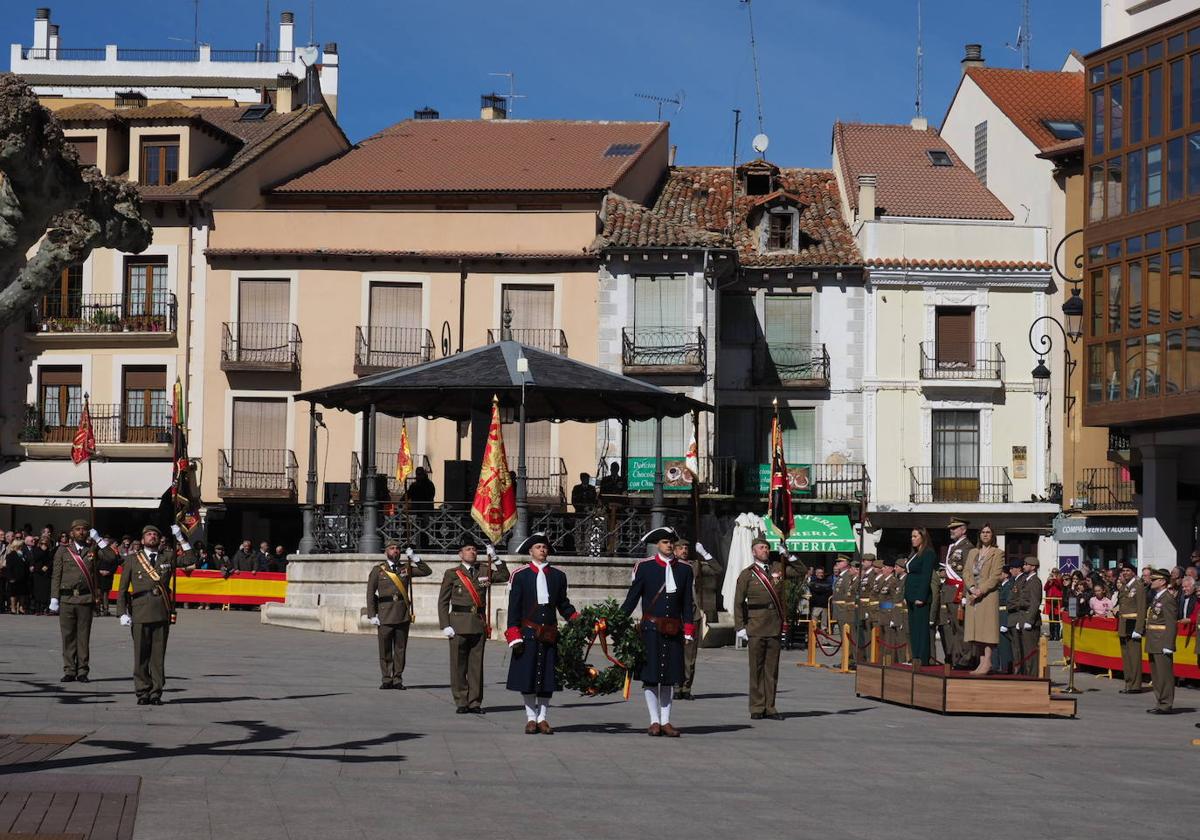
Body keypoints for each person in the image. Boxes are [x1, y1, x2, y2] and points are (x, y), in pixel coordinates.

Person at [620, 527, 695, 737]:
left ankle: (666, 721)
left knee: (669, 677)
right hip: (651, 629)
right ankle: (654, 720)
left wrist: (688, 628)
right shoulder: (644, 567)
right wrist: (617, 620)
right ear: (657, 545)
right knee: (651, 676)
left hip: (674, 629)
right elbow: (632, 598)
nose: (669, 545)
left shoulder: (685, 570)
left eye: (671, 542)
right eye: (664, 542)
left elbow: (687, 603)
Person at [504, 533, 580, 734]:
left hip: (549, 634)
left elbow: (563, 604)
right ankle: (530, 718)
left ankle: (543, 718)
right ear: (530, 551)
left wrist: (576, 618)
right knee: (528, 678)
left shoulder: (558, 576)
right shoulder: (519, 575)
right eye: (538, 547)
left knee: (547, 679)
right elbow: (514, 608)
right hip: (528, 634)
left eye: (545, 547)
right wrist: (514, 633)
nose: (542, 550)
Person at [117, 524, 196, 705]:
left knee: (158, 655)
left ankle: (156, 692)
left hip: (162, 610)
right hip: (140, 611)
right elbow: (122, 590)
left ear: (160, 539)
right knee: (141, 654)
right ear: (143, 539)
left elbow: (191, 559)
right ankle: (142, 691)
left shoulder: (167, 556)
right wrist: (122, 612)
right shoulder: (132, 560)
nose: (152, 537)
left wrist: (181, 538)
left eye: (155, 534)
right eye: (149, 534)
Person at [733, 537, 805, 720]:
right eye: (761, 547)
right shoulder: (747, 574)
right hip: (755, 625)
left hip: (774, 625)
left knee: (771, 669)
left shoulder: (777, 568)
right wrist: (740, 627)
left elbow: (801, 571)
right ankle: (757, 707)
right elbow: (739, 602)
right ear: (754, 551)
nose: (765, 550)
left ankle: (770, 707)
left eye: (767, 547)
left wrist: (788, 555)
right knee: (756, 669)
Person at [437, 538, 510, 714]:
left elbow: (505, 576)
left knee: (476, 666)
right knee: (458, 665)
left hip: (478, 623)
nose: (472, 552)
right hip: (458, 623)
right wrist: (445, 624)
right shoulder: (452, 573)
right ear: (460, 553)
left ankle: (475, 702)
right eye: (468, 549)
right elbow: (443, 601)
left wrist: (496, 558)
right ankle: (461, 701)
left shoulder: (484, 569)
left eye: (474, 549)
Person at [49, 520, 116, 683]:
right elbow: (56, 575)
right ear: (72, 533)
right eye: (77, 530)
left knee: (83, 636)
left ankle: (82, 671)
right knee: (68, 635)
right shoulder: (63, 551)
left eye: (84, 530)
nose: (81, 532)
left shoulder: (92, 549)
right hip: (67, 598)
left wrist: (99, 540)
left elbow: (112, 557)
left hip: (85, 598)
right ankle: (69, 669)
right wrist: (54, 597)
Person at [366, 542, 432, 690]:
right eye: (392, 548)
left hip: (402, 614)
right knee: (385, 649)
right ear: (386, 552)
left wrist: (415, 558)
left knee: (400, 649)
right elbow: (370, 593)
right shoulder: (378, 570)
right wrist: (372, 614)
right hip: (384, 614)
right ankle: (386, 678)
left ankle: (397, 679)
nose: (395, 551)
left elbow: (427, 571)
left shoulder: (405, 568)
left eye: (397, 549)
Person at [676, 538, 721, 700]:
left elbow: (717, 569)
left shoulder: (695, 565)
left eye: (686, 548)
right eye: (680, 548)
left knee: (690, 655)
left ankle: (686, 688)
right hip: (674, 616)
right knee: (675, 654)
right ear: (674, 550)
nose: (684, 550)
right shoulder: (670, 566)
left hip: (692, 615)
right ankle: (675, 686)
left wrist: (704, 553)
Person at [963, 523, 1005, 675]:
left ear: (992, 535)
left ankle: (987, 661)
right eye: (983, 532)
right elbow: (966, 572)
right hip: (972, 594)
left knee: (987, 631)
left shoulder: (997, 553)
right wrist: (972, 588)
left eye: (988, 532)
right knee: (976, 631)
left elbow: (995, 577)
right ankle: (980, 662)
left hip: (987, 596)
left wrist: (980, 590)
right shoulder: (973, 552)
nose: (985, 534)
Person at [1144, 568, 1178, 715]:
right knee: (1156, 675)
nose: (1151, 581)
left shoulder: (1168, 599)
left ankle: (1166, 703)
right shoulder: (1157, 597)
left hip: (1162, 641)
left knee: (1164, 675)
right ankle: (1160, 702)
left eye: (1154, 579)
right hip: (1153, 640)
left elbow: (1171, 623)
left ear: (1163, 581)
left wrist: (1169, 645)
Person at [940, 517, 973, 668]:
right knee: (953, 627)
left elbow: (968, 573)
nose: (951, 531)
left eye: (955, 528)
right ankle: (956, 658)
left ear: (963, 529)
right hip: (949, 591)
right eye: (950, 528)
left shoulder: (967, 547)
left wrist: (966, 595)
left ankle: (965, 659)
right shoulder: (953, 547)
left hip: (959, 592)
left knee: (961, 627)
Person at [1114, 563, 1147, 694]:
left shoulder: (1138, 587)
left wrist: (1139, 629)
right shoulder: (1125, 587)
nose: (1125, 573)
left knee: (1134, 656)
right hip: (1124, 623)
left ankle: (1135, 685)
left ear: (1133, 572)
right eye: (1123, 571)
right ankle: (1128, 682)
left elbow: (1141, 608)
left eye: (1128, 570)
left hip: (1133, 624)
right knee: (1126, 656)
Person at [904, 530, 935, 666]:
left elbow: (926, 576)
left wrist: (921, 596)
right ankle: (915, 656)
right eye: (911, 536)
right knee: (914, 628)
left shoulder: (928, 553)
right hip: (911, 595)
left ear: (923, 537)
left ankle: (922, 658)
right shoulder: (914, 554)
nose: (912, 539)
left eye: (915, 536)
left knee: (921, 629)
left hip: (919, 596)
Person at [1010, 556, 1043, 677]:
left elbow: (1035, 602)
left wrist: (1029, 620)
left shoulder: (1035, 581)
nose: (1023, 566)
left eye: (1026, 564)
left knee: (1030, 652)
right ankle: (1026, 674)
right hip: (1023, 618)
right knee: (1024, 651)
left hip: (1030, 620)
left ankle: (1032, 676)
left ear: (1033, 567)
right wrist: (1021, 620)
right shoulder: (1026, 580)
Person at [875, 558, 903, 665]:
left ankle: (890, 662)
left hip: (889, 613)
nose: (883, 569)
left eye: (885, 567)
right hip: (882, 612)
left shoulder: (894, 581)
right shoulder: (883, 580)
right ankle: (882, 661)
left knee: (889, 640)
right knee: (882, 640)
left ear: (891, 569)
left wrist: (893, 616)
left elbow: (895, 599)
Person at [995, 560, 1020, 674]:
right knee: (998, 644)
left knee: (1005, 645)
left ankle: (1006, 667)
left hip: (1004, 616)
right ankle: (998, 666)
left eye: (1000, 573)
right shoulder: (1000, 586)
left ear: (1005, 575)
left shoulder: (1010, 585)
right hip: (998, 616)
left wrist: (1005, 623)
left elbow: (1008, 604)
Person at [807, 566, 833, 631]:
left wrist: (819, 588)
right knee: (814, 624)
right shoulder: (813, 582)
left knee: (824, 626)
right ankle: (814, 638)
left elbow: (829, 590)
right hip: (815, 605)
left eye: (822, 573)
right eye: (819, 573)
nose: (821, 574)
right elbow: (814, 589)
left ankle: (824, 639)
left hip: (825, 605)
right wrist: (823, 588)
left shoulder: (827, 581)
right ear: (816, 573)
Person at [1043, 568, 1064, 641]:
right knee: (1051, 621)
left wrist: (1055, 579)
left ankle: (1057, 636)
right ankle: (1052, 636)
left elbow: (1060, 586)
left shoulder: (1059, 579)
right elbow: (1045, 588)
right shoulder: (1050, 580)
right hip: (1050, 602)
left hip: (1057, 602)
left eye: (1055, 572)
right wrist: (1049, 581)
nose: (1054, 573)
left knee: (1057, 620)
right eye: (1053, 572)